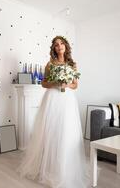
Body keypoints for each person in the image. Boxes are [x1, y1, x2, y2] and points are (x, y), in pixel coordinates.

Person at [17, 36, 89, 188]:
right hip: (52, 99)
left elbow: (75, 85)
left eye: (61, 43)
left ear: (66, 46)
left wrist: (67, 84)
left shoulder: (73, 64)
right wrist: (55, 82)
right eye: (56, 45)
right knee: (51, 131)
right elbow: (43, 83)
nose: (59, 46)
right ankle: (49, 168)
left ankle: (65, 169)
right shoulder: (50, 64)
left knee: (66, 132)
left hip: (67, 100)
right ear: (54, 49)